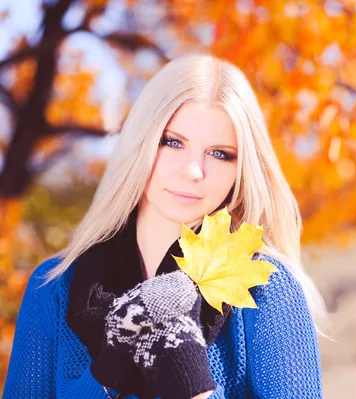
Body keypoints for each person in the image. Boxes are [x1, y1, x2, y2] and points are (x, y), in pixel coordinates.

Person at [3, 54, 326, 399]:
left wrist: (189, 379)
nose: (193, 171)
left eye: (220, 154)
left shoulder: (268, 289)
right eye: (173, 142)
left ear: (241, 170)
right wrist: (110, 368)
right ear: (141, 143)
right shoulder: (51, 288)